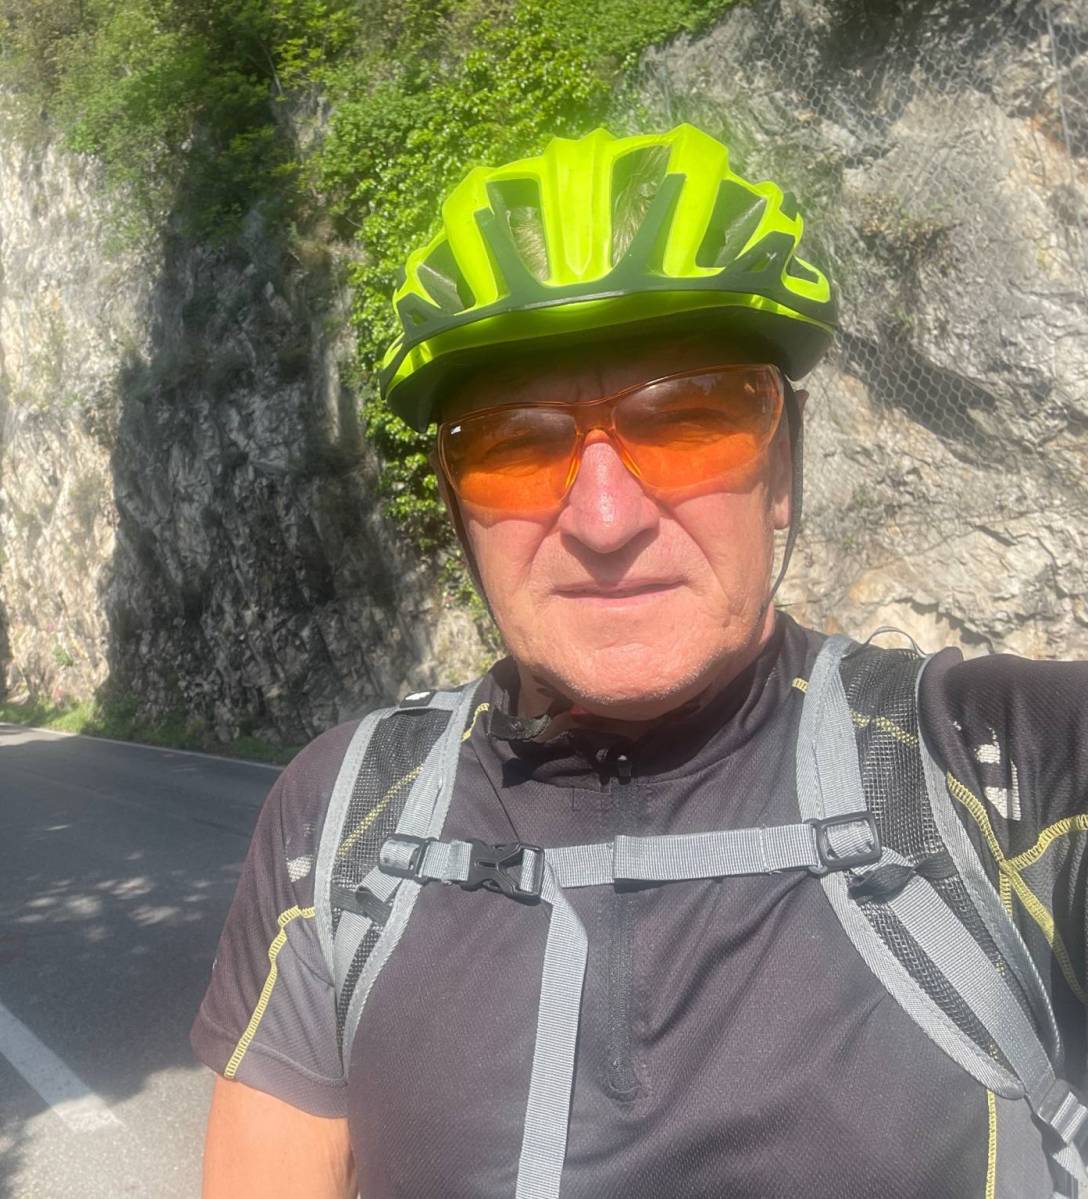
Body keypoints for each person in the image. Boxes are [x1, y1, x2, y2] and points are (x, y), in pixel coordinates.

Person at [190, 123, 1088, 1198]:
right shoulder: (344, 817)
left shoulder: (998, 769)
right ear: (455, 504)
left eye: (692, 419)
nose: (605, 520)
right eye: (514, 442)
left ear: (782, 468)